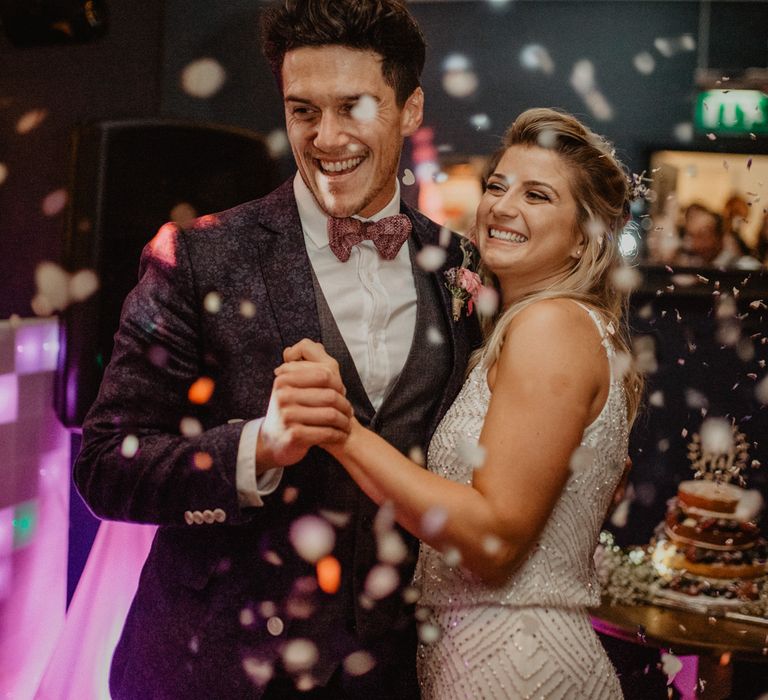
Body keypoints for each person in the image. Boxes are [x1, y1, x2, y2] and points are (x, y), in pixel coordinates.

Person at [73, 1, 480, 697]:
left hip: (390, 671)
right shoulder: (197, 256)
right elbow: (107, 466)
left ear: (409, 109)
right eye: (303, 111)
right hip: (214, 665)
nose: (326, 138)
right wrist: (258, 447)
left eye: (352, 107)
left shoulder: (457, 266)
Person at [279, 108, 644, 698]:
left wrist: (343, 431)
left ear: (585, 237)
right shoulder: (537, 325)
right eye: (497, 185)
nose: (502, 206)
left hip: (518, 671)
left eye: (538, 195)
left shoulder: (551, 326)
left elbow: (495, 541)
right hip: (477, 660)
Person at [678, 203, 760, 269]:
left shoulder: (746, 268)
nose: (696, 244)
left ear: (719, 237)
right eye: (692, 236)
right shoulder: (690, 269)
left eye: (702, 236)